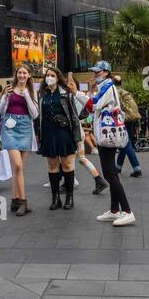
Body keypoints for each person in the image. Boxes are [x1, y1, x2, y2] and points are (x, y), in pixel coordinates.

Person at [85, 62, 135, 226]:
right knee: (112, 171)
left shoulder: (107, 87)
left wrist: (77, 93)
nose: (95, 75)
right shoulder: (105, 86)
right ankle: (114, 210)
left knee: (109, 173)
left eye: (97, 72)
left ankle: (127, 211)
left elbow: (93, 105)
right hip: (106, 134)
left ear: (106, 72)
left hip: (107, 134)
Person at [37, 66, 84, 209]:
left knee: (67, 164)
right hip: (48, 133)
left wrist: (76, 136)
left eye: (52, 75)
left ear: (58, 78)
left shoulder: (66, 93)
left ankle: (69, 197)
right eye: (47, 75)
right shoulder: (42, 95)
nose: (49, 77)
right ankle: (55, 197)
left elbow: (75, 116)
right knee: (52, 164)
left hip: (64, 132)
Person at [0, 66, 40, 216]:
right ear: (16, 74)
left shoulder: (32, 91)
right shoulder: (9, 89)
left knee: (18, 169)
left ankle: (15, 199)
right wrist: (4, 98)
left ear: (29, 75)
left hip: (25, 128)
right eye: (19, 72)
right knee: (17, 164)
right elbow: (0, 111)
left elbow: (35, 115)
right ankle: (23, 201)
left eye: (24, 73)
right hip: (10, 127)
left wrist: (27, 96)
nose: (22, 75)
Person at [112, 74, 143, 177]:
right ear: (121, 83)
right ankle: (118, 167)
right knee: (125, 142)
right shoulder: (125, 92)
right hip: (132, 119)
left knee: (126, 143)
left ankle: (137, 168)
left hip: (123, 119)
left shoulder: (114, 92)